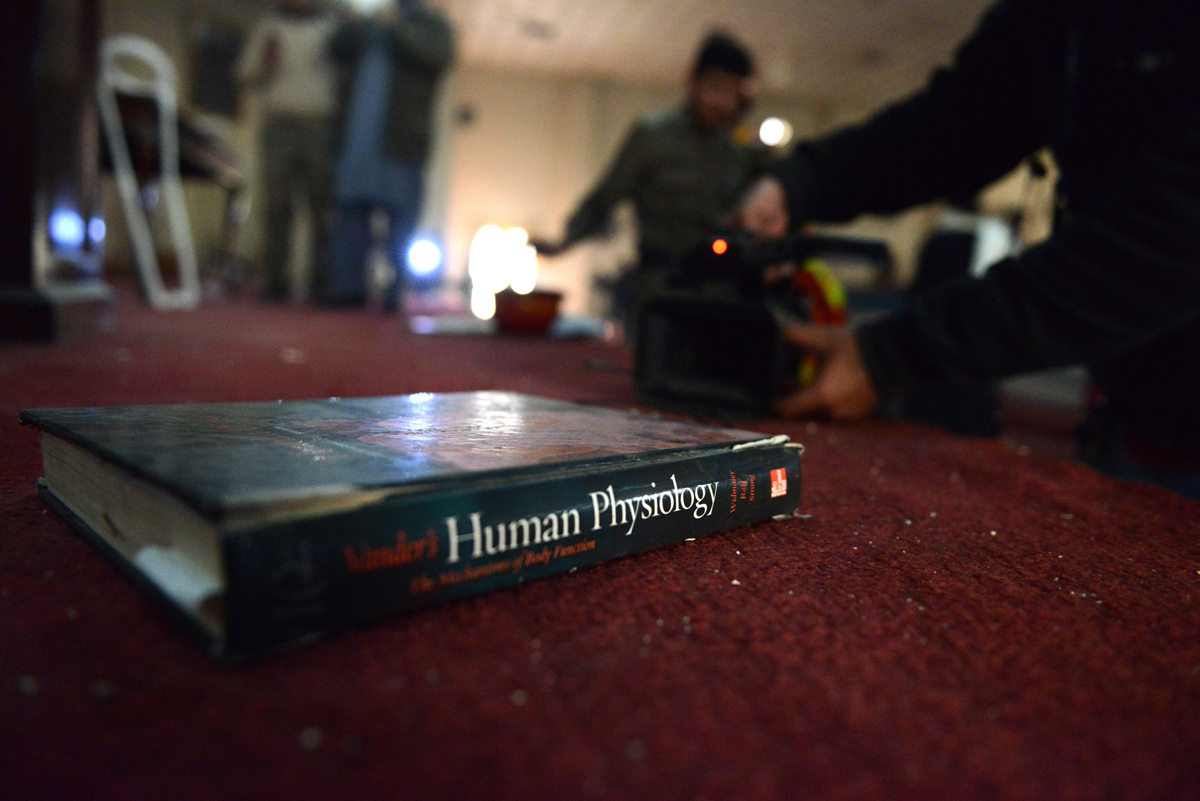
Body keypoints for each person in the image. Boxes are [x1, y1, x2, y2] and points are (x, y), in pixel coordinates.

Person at [738, 0, 1200, 496]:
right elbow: (959, 121)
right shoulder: (1060, 21)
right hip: (1136, 419)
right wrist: (802, 183)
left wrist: (892, 354)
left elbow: (1174, 237)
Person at [540, 32, 763, 332]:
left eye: (733, 93)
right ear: (692, 82)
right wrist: (562, 243)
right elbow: (605, 198)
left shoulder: (744, 150)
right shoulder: (653, 136)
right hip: (660, 287)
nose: (722, 102)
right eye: (715, 88)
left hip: (720, 294)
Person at [323, 0, 454, 310]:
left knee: (401, 223)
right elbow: (335, 47)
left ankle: (395, 293)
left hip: (402, 141)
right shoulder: (369, 22)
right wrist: (359, 23)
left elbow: (437, 56)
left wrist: (395, 27)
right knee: (352, 216)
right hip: (357, 138)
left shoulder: (433, 25)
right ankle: (351, 288)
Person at [237, 0, 339, 302]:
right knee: (277, 206)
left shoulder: (332, 28)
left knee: (322, 206)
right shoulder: (269, 27)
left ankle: (321, 281)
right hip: (278, 123)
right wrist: (264, 63)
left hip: (320, 126)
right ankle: (275, 280)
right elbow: (245, 74)